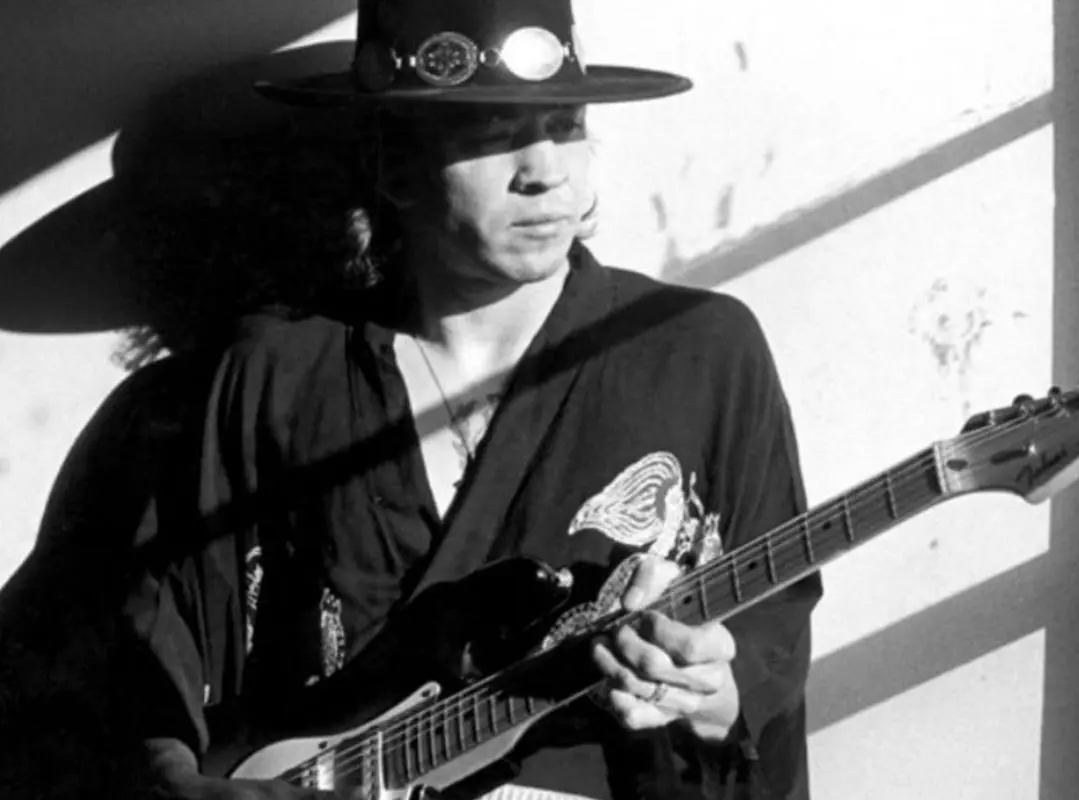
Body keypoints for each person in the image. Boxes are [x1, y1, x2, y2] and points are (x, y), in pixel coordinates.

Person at [4, 0, 822, 798]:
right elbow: (134, 640)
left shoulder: (697, 346)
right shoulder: (276, 375)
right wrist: (173, 778)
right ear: (395, 166)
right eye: (492, 134)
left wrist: (719, 694)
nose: (543, 171)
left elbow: (773, 625)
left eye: (565, 125)